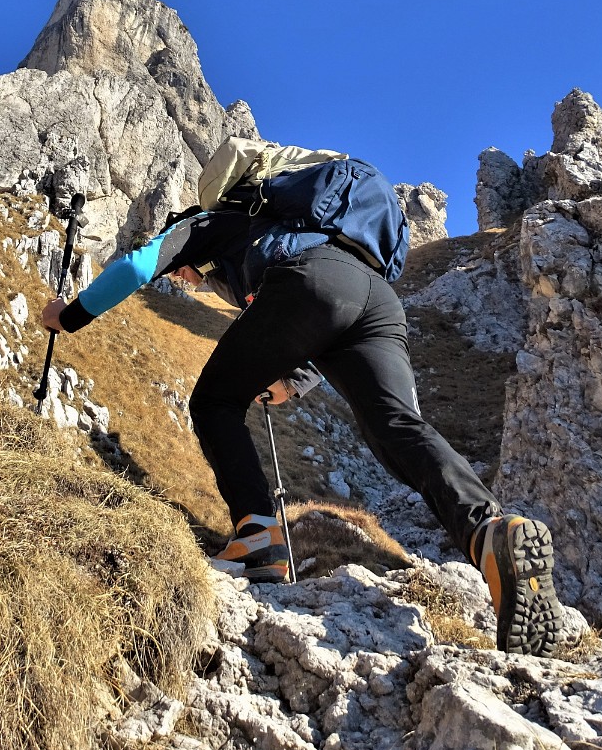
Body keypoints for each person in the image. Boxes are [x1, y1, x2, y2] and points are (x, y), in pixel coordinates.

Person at [40, 203, 564, 657]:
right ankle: (490, 532)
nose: (181, 275)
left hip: (310, 283)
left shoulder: (211, 221)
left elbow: (138, 264)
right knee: (397, 427)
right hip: (377, 298)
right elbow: (319, 309)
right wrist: (292, 380)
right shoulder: (282, 232)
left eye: (184, 271)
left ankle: (258, 538)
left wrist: (71, 317)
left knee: (215, 401)